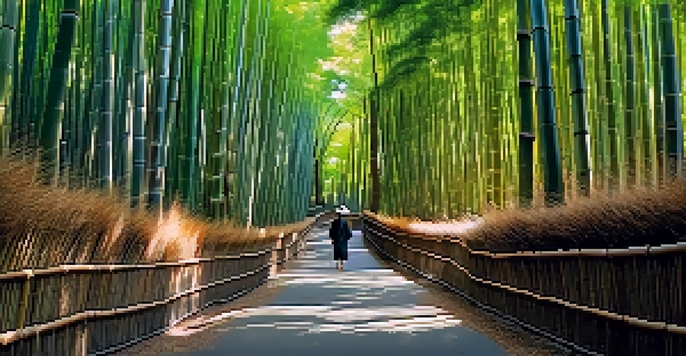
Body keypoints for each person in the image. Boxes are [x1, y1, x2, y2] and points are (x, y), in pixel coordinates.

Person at [329, 205, 353, 270]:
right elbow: (348, 232)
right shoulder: (345, 222)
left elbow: (332, 231)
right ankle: (341, 264)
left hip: (336, 238)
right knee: (342, 252)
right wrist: (348, 236)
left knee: (337, 251)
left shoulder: (334, 222)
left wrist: (332, 238)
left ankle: (337, 263)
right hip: (343, 239)